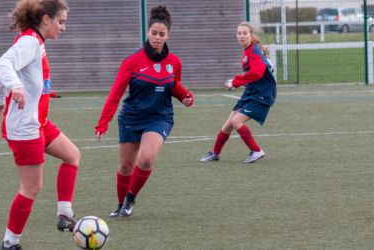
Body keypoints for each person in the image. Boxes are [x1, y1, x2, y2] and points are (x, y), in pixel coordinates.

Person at [0, 1, 80, 249]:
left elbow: (11, 68)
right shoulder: (30, 42)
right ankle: (10, 243)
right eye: (60, 22)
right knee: (31, 188)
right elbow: (3, 64)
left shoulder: (35, 41)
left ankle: (64, 215)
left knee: (72, 155)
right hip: (25, 129)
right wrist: (15, 88)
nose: (63, 27)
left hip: (38, 121)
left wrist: (0, 96)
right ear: (45, 19)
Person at [95, 5, 194, 218]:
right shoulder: (132, 62)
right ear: (147, 33)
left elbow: (174, 86)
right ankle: (121, 204)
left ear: (168, 35)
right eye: (154, 33)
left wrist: (185, 95)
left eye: (162, 34)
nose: (157, 38)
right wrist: (103, 122)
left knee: (146, 158)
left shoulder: (174, 62)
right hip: (132, 117)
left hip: (160, 117)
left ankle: (130, 198)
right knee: (125, 167)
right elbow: (115, 94)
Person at [200, 22, 276, 164]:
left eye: (245, 33)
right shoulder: (249, 50)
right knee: (228, 124)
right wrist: (235, 82)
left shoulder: (254, 51)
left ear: (251, 35)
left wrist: (235, 82)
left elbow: (257, 73)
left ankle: (257, 151)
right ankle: (215, 154)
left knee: (236, 121)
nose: (241, 36)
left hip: (262, 95)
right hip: (252, 92)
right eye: (239, 33)